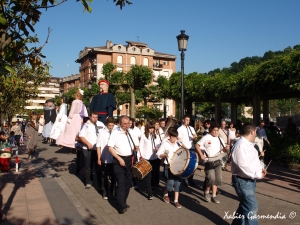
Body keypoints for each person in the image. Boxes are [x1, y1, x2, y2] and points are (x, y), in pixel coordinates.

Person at [231, 123, 267, 225]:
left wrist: (261, 169)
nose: (256, 133)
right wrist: (258, 175)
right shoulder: (241, 145)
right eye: (255, 131)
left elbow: (252, 161)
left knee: (245, 206)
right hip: (243, 181)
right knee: (252, 207)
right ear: (252, 132)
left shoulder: (249, 145)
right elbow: (243, 165)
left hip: (249, 180)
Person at [108, 115, 139, 214]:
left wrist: (136, 148)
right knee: (121, 182)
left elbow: (135, 145)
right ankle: (121, 205)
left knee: (128, 182)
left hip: (129, 159)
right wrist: (118, 158)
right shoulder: (115, 133)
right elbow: (110, 148)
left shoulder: (131, 132)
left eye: (128, 123)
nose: (126, 125)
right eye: (124, 124)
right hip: (118, 160)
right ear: (120, 124)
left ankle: (123, 201)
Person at [195, 122, 229, 204]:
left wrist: (226, 149)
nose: (216, 132)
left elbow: (223, 150)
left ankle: (214, 195)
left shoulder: (219, 139)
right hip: (208, 161)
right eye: (214, 130)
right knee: (211, 178)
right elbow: (197, 145)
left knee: (217, 179)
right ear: (211, 130)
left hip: (218, 161)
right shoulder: (206, 137)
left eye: (217, 130)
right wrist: (201, 154)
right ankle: (206, 192)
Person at [156, 128, 183, 209]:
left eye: (176, 137)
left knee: (178, 183)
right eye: (173, 137)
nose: (175, 139)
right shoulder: (165, 144)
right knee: (170, 183)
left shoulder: (178, 144)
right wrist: (163, 155)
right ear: (170, 136)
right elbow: (158, 153)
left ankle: (176, 201)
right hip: (169, 165)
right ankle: (165, 193)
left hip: (178, 166)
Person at [79, 111, 103, 189]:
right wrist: (87, 143)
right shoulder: (86, 125)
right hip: (87, 149)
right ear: (90, 117)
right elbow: (81, 136)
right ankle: (88, 181)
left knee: (98, 167)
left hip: (97, 149)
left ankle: (100, 185)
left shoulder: (100, 124)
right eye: (93, 117)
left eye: (96, 117)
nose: (95, 119)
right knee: (88, 166)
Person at [138, 121, 160, 198]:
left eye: (152, 128)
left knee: (153, 174)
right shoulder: (143, 136)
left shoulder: (155, 136)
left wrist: (158, 148)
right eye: (150, 128)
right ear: (147, 128)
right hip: (146, 157)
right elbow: (140, 147)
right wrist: (140, 157)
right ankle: (149, 193)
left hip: (154, 157)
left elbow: (159, 144)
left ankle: (148, 187)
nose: (151, 130)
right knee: (148, 175)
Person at [96, 117, 116, 199]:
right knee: (104, 176)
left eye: (112, 125)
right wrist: (98, 157)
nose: (111, 127)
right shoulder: (102, 132)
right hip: (105, 157)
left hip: (114, 157)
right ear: (106, 124)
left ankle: (112, 191)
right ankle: (105, 192)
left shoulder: (116, 132)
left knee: (114, 176)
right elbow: (98, 145)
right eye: (109, 125)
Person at [177, 115, 197, 186]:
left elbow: (195, 137)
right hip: (185, 148)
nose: (187, 121)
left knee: (192, 164)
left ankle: (191, 179)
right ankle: (184, 179)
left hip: (191, 147)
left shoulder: (191, 128)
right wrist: (185, 148)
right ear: (183, 120)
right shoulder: (180, 129)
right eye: (186, 120)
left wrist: (195, 138)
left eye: (188, 120)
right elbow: (178, 140)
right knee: (185, 165)